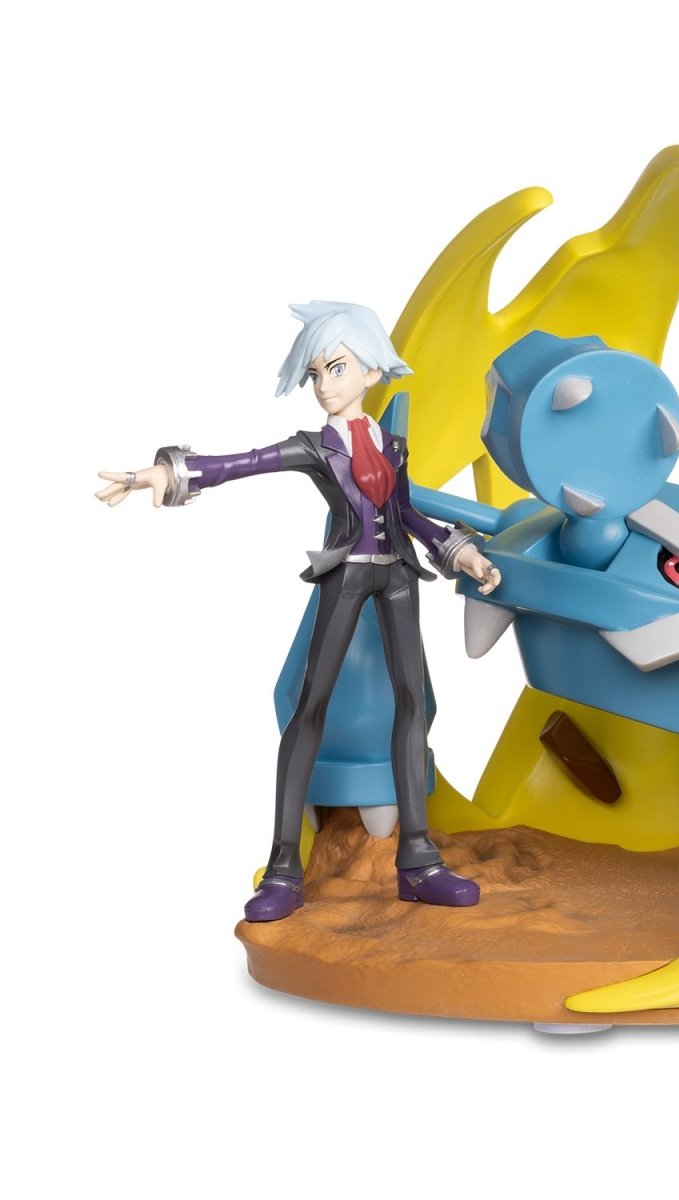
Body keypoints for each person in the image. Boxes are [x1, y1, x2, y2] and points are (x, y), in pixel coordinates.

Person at [97, 301, 500, 921]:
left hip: (398, 578)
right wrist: (167, 473)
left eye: (336, 369)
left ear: (371, 372)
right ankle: (285, 868)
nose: (323, 385)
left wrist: (461, 552)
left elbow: (407, 514)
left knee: (412, 703)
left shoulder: (393, 445)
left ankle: (418, 861)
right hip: (346, 576)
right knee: (311, 704)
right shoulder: (316, 446)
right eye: (315, 374)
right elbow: (245, 463)